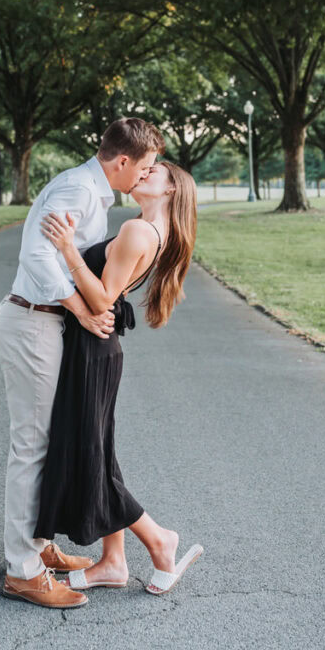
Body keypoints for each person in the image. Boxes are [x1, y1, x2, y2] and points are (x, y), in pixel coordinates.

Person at [0, 118, 165, 609]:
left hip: (48, 323)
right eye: (146, 166)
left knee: (48, 439)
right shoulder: (78, 189)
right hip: (34, 320)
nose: (146, 175)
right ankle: (21, 571)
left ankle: (39, 546)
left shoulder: (96, 193)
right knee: (32, 444)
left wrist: (81, 309)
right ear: (123, 161)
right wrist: (82, 311)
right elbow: (38, 255)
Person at [34, 160, 203, 597]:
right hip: (95, 351)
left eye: (156, 171)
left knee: (93, 458)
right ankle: (114, 561)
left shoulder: (139, 232)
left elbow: (104, 300)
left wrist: (69, 249)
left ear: (171, 190)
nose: (145, 173)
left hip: (93, 350)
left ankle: (160, 541)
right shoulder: (143, 228)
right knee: (100, 454)